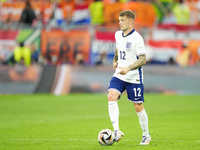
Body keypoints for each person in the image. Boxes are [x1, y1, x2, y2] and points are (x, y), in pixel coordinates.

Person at [107, 10, 151, 145]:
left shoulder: (137, 38)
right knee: (111, 96)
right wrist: (115, 60)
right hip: (120, 74)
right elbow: (118, 48)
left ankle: (146, 135)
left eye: (122, 20)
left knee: (138, 106)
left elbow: (143, 59)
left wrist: (128, 68)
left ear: (131, 21)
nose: (120, 23)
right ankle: (116, 131)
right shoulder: (117, 35)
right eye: (119, 20)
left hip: (134, 77)